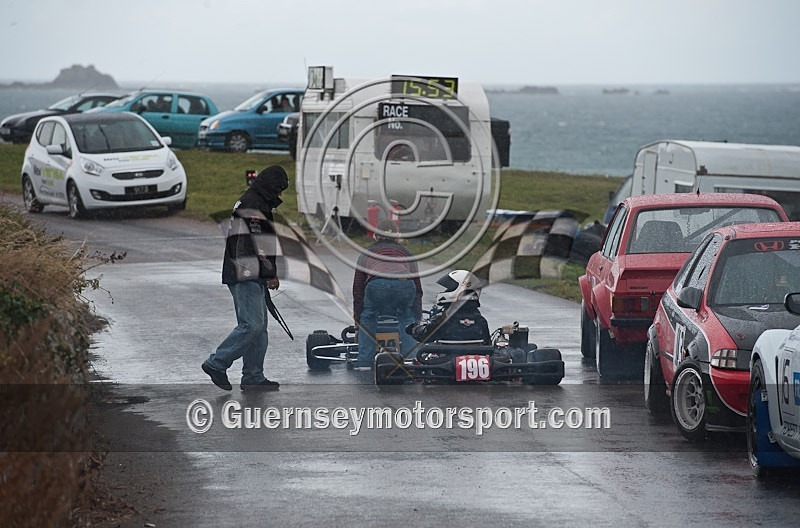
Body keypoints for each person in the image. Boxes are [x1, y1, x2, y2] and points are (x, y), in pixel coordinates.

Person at [202, 165, 288, 391]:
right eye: (280, 190)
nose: (280, 195)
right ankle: (217, 363)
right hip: (246, 272)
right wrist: (268, 273)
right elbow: (258, 244)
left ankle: (253, 376)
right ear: (272, 187)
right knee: (252, 325)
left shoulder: (252, 201)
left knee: (259, 328)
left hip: (247, 270)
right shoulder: (254, 205)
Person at [352, 218, 423, 370]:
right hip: (405, 283)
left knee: (369, 316)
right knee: (406, 317)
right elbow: (417, 289)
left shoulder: (367, 253)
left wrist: (358, 324)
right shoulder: (407, 252)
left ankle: (364, 362)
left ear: (376, 236)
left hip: (377, 284)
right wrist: (417, 319)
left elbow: (358, 290)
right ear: (397, 237)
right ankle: (411, 361)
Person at [408, 270, 491, 345]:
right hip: (475, 358)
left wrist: (414, 328)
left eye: (449, 289)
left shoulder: (443, 318)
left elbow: (424, 336)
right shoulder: (480, 320)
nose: (445, 292)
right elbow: (487, 344)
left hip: (446, 359)